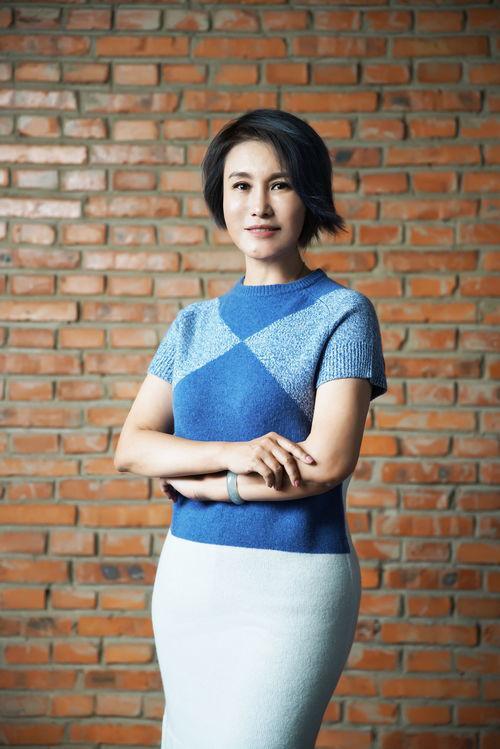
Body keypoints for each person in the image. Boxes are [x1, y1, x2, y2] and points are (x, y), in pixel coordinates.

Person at [114, 108, 388, 749]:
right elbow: (132, 446)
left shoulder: (342, 313)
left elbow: (326, 463)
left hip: (293, 584)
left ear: (308, 195)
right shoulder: (192, 324)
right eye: (241, 185)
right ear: (221, 197)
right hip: (190, 576)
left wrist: (209, 485)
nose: (259, 205)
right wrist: (234, 454)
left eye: (280, 184)